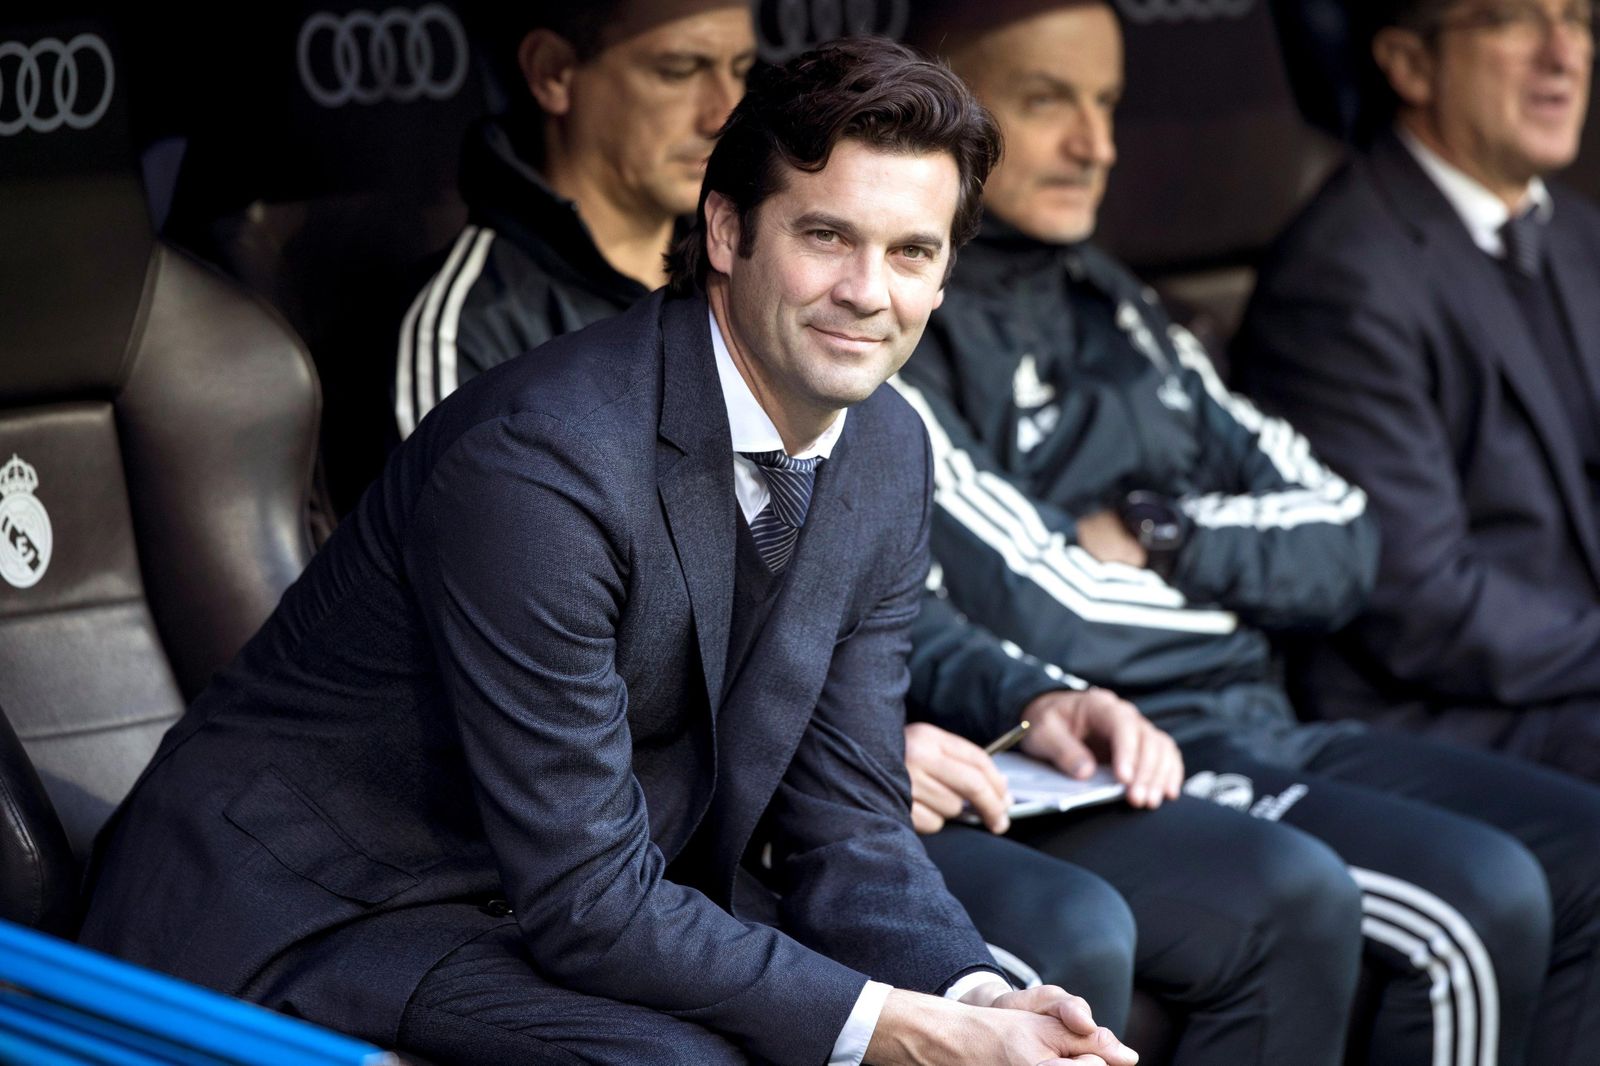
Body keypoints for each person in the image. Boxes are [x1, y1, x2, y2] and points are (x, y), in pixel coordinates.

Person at [78, 39, 1143, 1066]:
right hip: (315, 906)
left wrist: (979, 999)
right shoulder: (543, 463)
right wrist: (914, 1032)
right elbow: (589, 900)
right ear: (725, 231)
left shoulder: (886, 451)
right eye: (827, 237)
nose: (869, 291)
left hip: (546, 887)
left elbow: (846, 822)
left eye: (911, 252)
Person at [897, 2, 1600, 1063]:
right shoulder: (898, 316)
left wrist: (1160, 532)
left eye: (1109, 105)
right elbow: (1044, 606)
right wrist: (1233, 612)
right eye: (1047, 102)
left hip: (1261, 714)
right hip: (1122, 746)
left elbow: (1345, 535)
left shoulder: (1117, 303)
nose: (1098, 145)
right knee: (1477, 899)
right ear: (939, 109)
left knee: (1587, 851)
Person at [1235, 0, 1600, 781]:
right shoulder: (1344, 273)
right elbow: (1418, 605)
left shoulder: (1579, 233)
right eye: (1511, 19)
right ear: (1408, 63)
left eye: (1577, 16)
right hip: (1446, 714)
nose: (1563, 53)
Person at [392, 0, 756, 438]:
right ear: (552, 72)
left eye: (739, 70)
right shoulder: (471, 326)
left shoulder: (755, 269)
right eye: (678, 70)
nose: (723, 115)